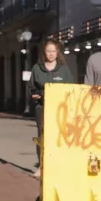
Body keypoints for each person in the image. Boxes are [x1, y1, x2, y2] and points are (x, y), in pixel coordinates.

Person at [29, 39, 75, 178]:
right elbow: (31, 87)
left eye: (53, 51)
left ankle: (59, 166)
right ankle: (41, 166)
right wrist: (34, 95)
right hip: (41, 108)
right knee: (42, 136)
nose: (51, 54)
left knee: (59, 136)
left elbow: (71, 88)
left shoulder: (64, 69)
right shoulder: (37, 68)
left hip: (60, 109)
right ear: (44, 52)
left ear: (57, 52)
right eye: (48, 51)